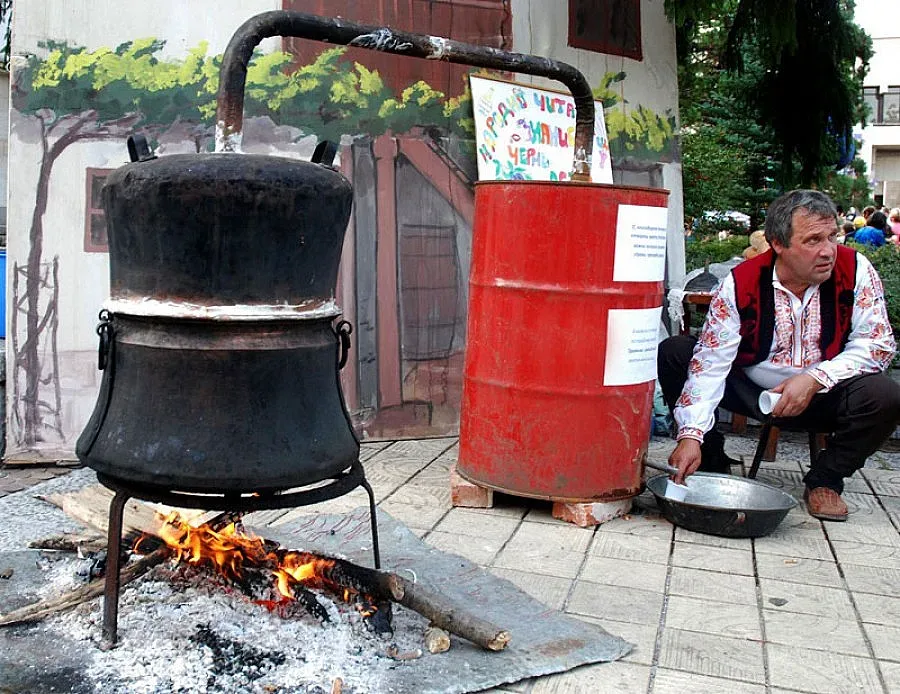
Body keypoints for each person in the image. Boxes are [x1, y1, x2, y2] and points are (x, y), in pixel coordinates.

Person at [658, 189, 900, 522]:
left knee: (885, 394)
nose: (828, 251)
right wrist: (690, 435)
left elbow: (877, 344)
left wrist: (815, 379)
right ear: (778, 244)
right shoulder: (741, 282)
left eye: (832, 236)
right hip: (753, 392)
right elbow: (711, 364)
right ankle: (710, 460)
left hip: (826, 396)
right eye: (813, 240)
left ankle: (825, 480)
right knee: (676, 353)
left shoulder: (855, 270)